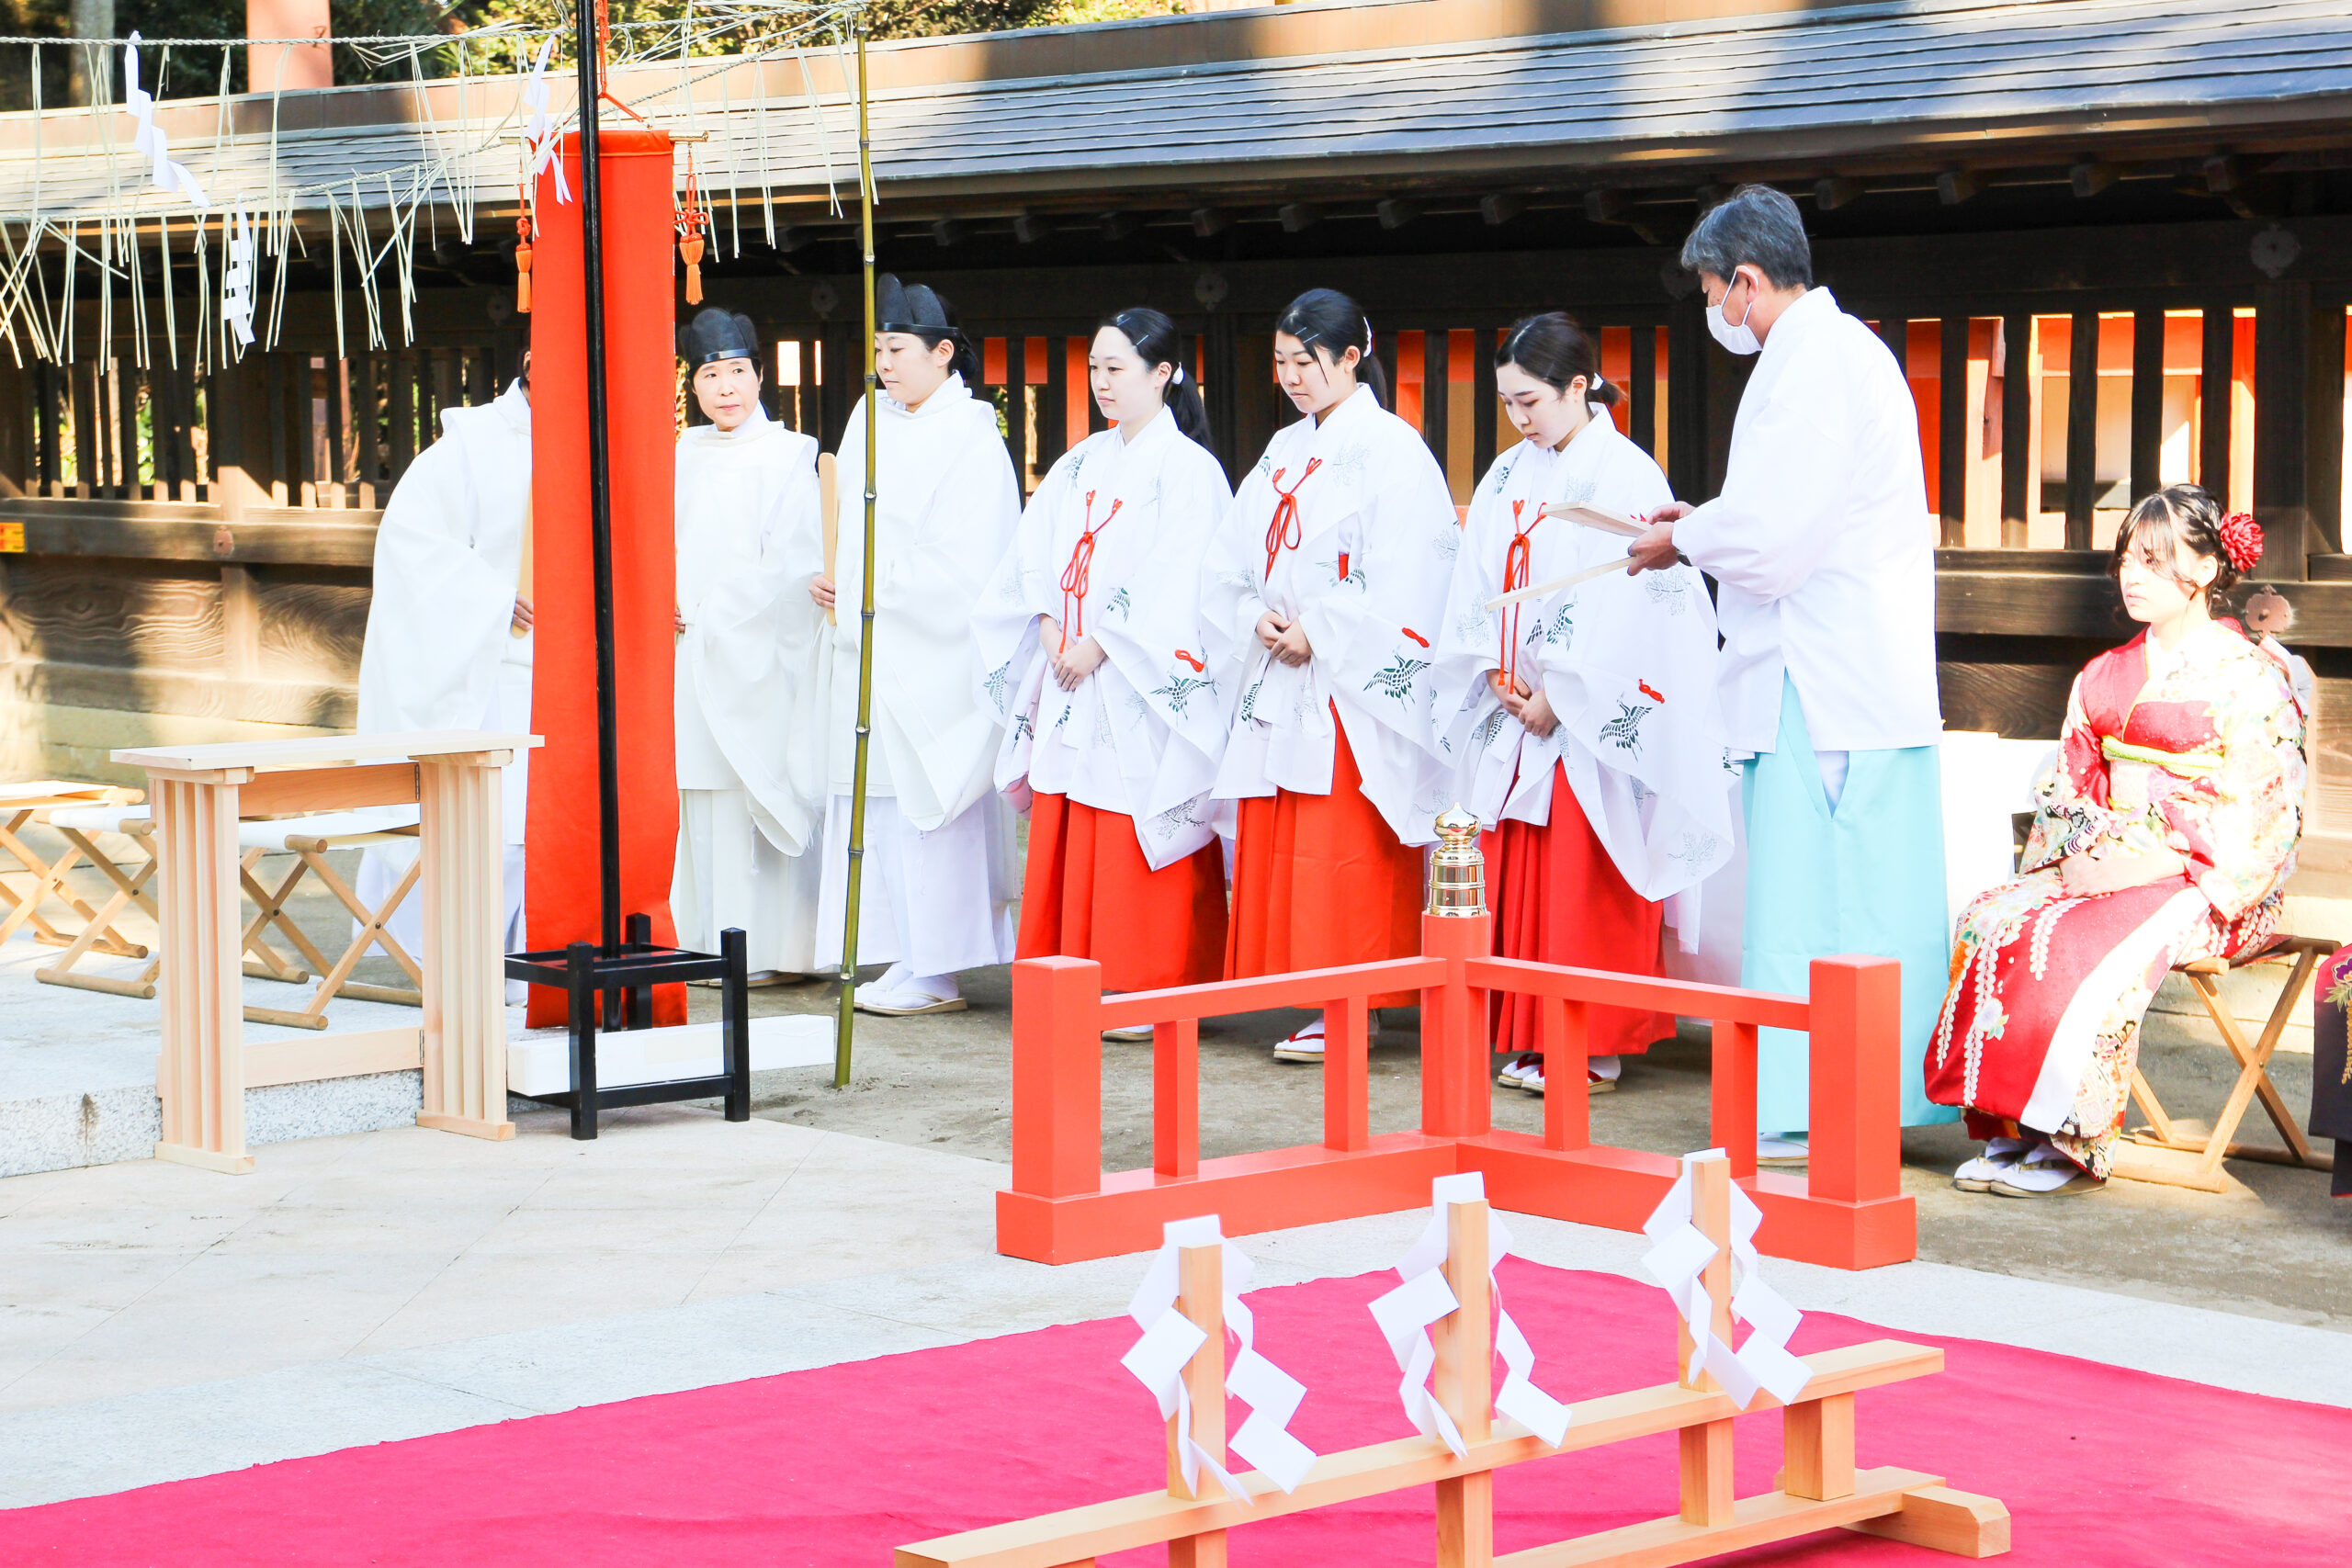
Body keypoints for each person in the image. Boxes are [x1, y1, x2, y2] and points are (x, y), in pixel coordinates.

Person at [1627, 185, 1951, 1162]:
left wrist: (1687, 539)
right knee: (1863, 894)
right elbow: (1781, 519)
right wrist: (1703, 526)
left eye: (1711, 294)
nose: (1714, 313)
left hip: (1822, 673)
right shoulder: (1840, 353)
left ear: (1747, 280)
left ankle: (1816, 1102)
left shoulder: (1814, 364)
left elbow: (1771, 542)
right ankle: (1860, 1096)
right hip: (1845, 665)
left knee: (1816, 898)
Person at [1927, 491, 2305, 1194]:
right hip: (2108, 854)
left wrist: (2142, 863)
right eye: (2128, 559)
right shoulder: (2104, 673)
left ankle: (2070, 1138)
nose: (2132, 575)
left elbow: (2260, 812)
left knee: (2078, 938)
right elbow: (2071, 787)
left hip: (2202, 876)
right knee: (1994, 917)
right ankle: (2010, 1127)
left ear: (2204, 568)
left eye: (2154, 561)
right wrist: (2085, 856)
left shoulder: (2251, 677)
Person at [1431, 313, 1732, 1097]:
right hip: (1516, 700)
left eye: (1530, 401)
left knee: (1582, 875)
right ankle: (1534, 1032)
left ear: (1576, 386)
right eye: (1507, 403)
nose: (1518, 418)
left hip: (1588, 717)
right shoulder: (1506, 475)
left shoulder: (1628, 473)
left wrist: (1562, 697)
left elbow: (1637, 607)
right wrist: (1495, 669)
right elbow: (1476, 579)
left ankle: (1593, 1042)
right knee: (1523, 873)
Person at [1203, 288, 1459, 1061]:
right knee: (1291, 845)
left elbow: (1411, 567)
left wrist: (1322, 627)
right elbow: (1230, 554)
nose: (1290, 377)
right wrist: (1253, 611)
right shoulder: (1283, 449)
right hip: (1285, 667)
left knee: (1342, 844)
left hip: (1349, 680)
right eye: (1281, 361)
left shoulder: (1394, 449)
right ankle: (1312, 992)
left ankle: (1356, 1001)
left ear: (1352, 356)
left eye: (1304, 361)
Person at [978, 308, 1235, 1010]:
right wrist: (1050, 624)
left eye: (1116, 368)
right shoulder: (1080, 461)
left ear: (1163, 373)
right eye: (1095, 367)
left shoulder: (1191, 470)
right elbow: (1034, 556)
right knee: (1075, 809)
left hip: (1136, 676)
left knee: (1135, 811)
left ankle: (1148, 984)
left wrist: (1103, 641)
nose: (1101, 381)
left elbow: (1185, 575)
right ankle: (1069, 977)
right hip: (1071, 666)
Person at [809, 276, 1023, 1016]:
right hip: (867, 638)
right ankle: (902, 951)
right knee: (877, 803)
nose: (884, 364)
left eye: (896, 349)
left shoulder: (972, 436)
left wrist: (875, 589)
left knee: (927, 802)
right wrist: (830, 572)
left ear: (942, 353)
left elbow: (970, 559)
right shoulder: (869, 416)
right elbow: (837, 519)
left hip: (928, 651)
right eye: (878, 349)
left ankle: (940, 967)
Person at [354, 350, 533, 982]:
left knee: (532, 826)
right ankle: (446, 955)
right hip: (483, 658)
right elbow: (409, 543)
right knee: (491, 821)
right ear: (532, 361)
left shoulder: (594, 437)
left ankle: (526, 955)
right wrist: (490, 598)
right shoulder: (470, 444)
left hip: (558, 660)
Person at [671, 307, 829, 983]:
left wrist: (717, 613)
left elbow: (796, 559)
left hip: (761, 649)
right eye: (711, 375)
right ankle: (706, 941)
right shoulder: (681, 453)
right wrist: (667, 598)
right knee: (704, 790)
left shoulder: (789, 454)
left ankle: (777, 950)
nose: (726, 387)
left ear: (760, 375)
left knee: (758, 785)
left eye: (738, 371)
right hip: (690, 647)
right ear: (693, 385)